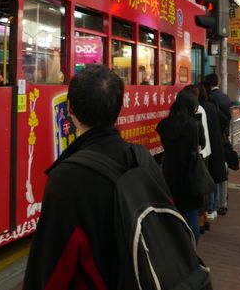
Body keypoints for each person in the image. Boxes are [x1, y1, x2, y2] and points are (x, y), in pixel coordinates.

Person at [22, 65, 161, 288]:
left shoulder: (66, 178)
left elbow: (50, 269)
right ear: (119, 109)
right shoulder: (143, 159)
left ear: (70, 109)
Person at [155, 90, 206, 242]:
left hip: (169, 172)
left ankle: (174, 250)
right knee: (191, 217)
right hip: (189, 174)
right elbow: (200, 145)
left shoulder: (163, 125)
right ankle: (191, 252)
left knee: (171, 214)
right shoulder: (194, 126)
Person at [196, 83, 227, 224]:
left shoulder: (200, 109)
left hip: (205, 148)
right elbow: (224, 120)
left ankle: (209, 209)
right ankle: (213, 209)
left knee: (207, 179)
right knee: (213, 178)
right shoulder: (212, 106)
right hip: (215, 145)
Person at [203, 73, 232, 215]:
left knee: (215, 173)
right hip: (224, 137)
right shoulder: (224, 96)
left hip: (216, 139)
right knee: (222, 171)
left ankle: (217, 205)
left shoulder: (211, 100)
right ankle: (222, 202)